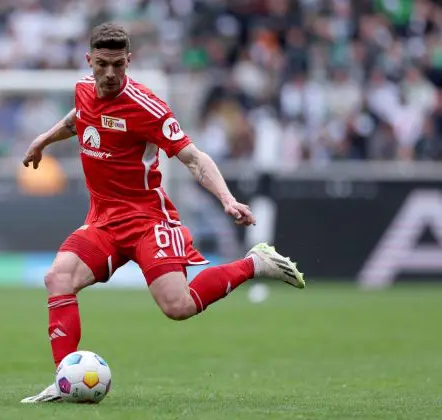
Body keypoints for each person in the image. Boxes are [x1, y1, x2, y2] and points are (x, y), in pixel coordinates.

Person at [20, 23, 305, 404]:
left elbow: (193, 158)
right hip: (103, 221)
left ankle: (255, 264)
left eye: (117, 65)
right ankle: (63, 379)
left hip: (147, 221)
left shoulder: (146, 106)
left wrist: (227, 198)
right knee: (58, 278)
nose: (108, 74)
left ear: (128, 62)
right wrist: (44, 139)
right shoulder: (84, 89)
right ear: (89, 61)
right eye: (101, 65)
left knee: (178, 306)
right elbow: (78, 119)